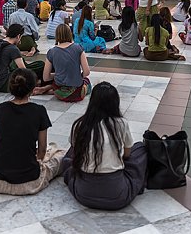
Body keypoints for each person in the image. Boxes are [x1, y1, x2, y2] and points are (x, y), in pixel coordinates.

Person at [0, 68, 65, 195]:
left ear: (10, 87)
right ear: (33, 89)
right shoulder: (39, 111)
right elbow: (42, 150)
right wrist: (37, 160)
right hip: (31, 182)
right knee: (62, 154)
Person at [61, 82, 147, 210]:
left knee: (69, 157)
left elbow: (76, 152)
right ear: (115, 103)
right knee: (140, 149)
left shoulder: (79, 125)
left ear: (92, 102)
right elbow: (127, 154)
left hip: (83, 194)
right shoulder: (121, 123)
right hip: (117, 196)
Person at [34, 24, 91, 101]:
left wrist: (58, 74)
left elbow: (46, 77)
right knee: (87, 81)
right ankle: (49, 89)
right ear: (70, 34)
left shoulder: (52, 52)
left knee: (59, 82)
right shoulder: (78, 48)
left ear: (56, 35)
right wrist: (78, 75)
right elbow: (86, 72)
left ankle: (47, 88)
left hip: (59, 92)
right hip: (77, 93)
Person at [0, 24, 44, 92]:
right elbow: (23, 70)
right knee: (40, 66)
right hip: (5, 84)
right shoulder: (13, 48)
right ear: (18, 36)